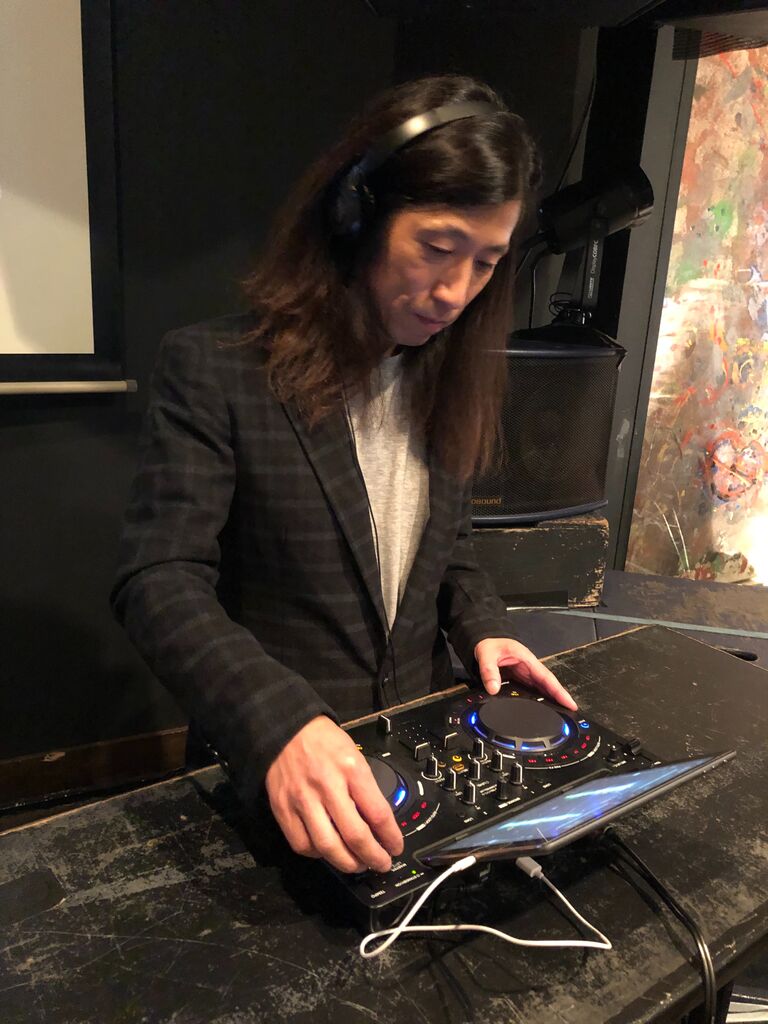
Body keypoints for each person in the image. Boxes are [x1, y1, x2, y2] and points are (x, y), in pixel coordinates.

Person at [111, 73, 577, 881]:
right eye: (437, 248)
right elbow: (158, 577)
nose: (455, 292)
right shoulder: (214, 369)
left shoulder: (449, 377)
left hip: (417, 767)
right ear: (357, 216)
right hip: (276, 782)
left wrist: (483, 627)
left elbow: (450, 551)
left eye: (486, 263)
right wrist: (279, 722)